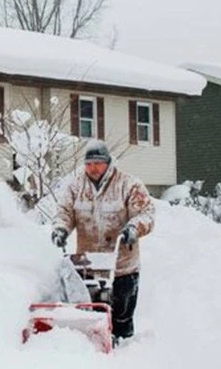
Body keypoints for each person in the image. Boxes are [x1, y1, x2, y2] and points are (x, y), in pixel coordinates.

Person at [51, 140, 155, 342]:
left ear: (108, 163)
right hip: (88, 266)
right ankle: (93, 354)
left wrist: (134, 228)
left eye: (98, 163)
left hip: (122, 267)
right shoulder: (76, 187)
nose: (93, 168)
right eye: (89, 164)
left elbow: (146, 213)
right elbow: (64, 212)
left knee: (121, 321)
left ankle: (124, 356)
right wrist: (60, 229)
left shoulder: (128, 185)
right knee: (90, 319)